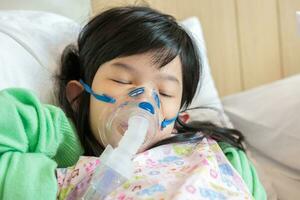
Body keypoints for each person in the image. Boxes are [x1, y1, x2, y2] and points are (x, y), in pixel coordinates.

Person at [0, 6, 266, 200]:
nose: (144, 100)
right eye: (123, 80)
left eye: (164, 92)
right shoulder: (63, 144)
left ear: (178, 117)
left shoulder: (218, 155)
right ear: (79, 96)